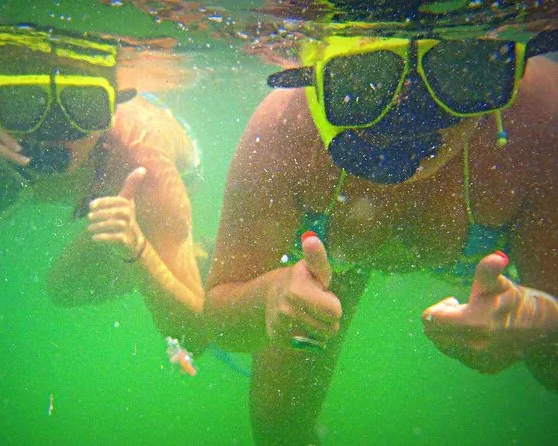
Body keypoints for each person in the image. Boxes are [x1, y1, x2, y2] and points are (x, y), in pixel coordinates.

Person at [205, 29, 558, 444]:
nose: (411, 117)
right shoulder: (288, 125)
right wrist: (269, 298)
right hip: (323, 265)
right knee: (278, 426)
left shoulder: (541, 117)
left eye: (458, 74)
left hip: (330, 252)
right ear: (320, 78)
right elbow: (221, 319)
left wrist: (540, 322)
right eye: (364, 83)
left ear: (496, 70)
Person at [0, 25, 207, 352]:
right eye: (23, 105)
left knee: (63, 287)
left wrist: (139, 249)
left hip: (173, 173)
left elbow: (194, 335)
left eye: (84, 107)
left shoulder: (143, 164)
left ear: (112, 110)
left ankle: (199, 252)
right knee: (63, 289)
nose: (56, 130)